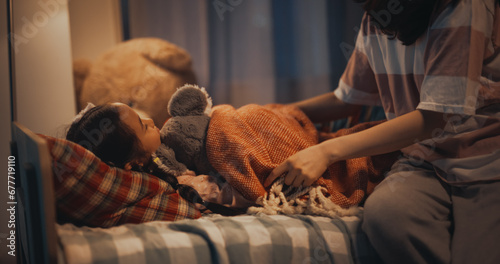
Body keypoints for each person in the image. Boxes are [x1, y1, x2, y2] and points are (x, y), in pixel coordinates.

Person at [265, 0, 500, 263]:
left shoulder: (462, 6)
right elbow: (346, 100)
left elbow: (436, 118)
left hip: (487, 165)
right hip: (426, 163)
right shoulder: (377, 16)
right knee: (387, 217)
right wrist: (271, 113)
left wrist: (326, 151)